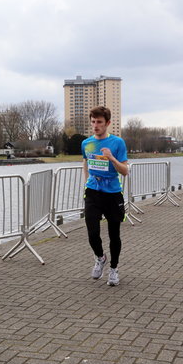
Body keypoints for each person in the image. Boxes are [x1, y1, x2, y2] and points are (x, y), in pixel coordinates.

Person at [81, 106, 128, 286]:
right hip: (93, 192)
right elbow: (85, 163)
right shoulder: (86, 143)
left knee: (114, 234)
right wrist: (87, 183)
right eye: (93, 122)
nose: (95, 126)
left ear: (107, 123)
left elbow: (125, 171)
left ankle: (114, 269)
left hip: (113, 194)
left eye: (99, 122)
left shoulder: (117, 143)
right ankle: (100, 258)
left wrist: (112, 159)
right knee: (92, 232)